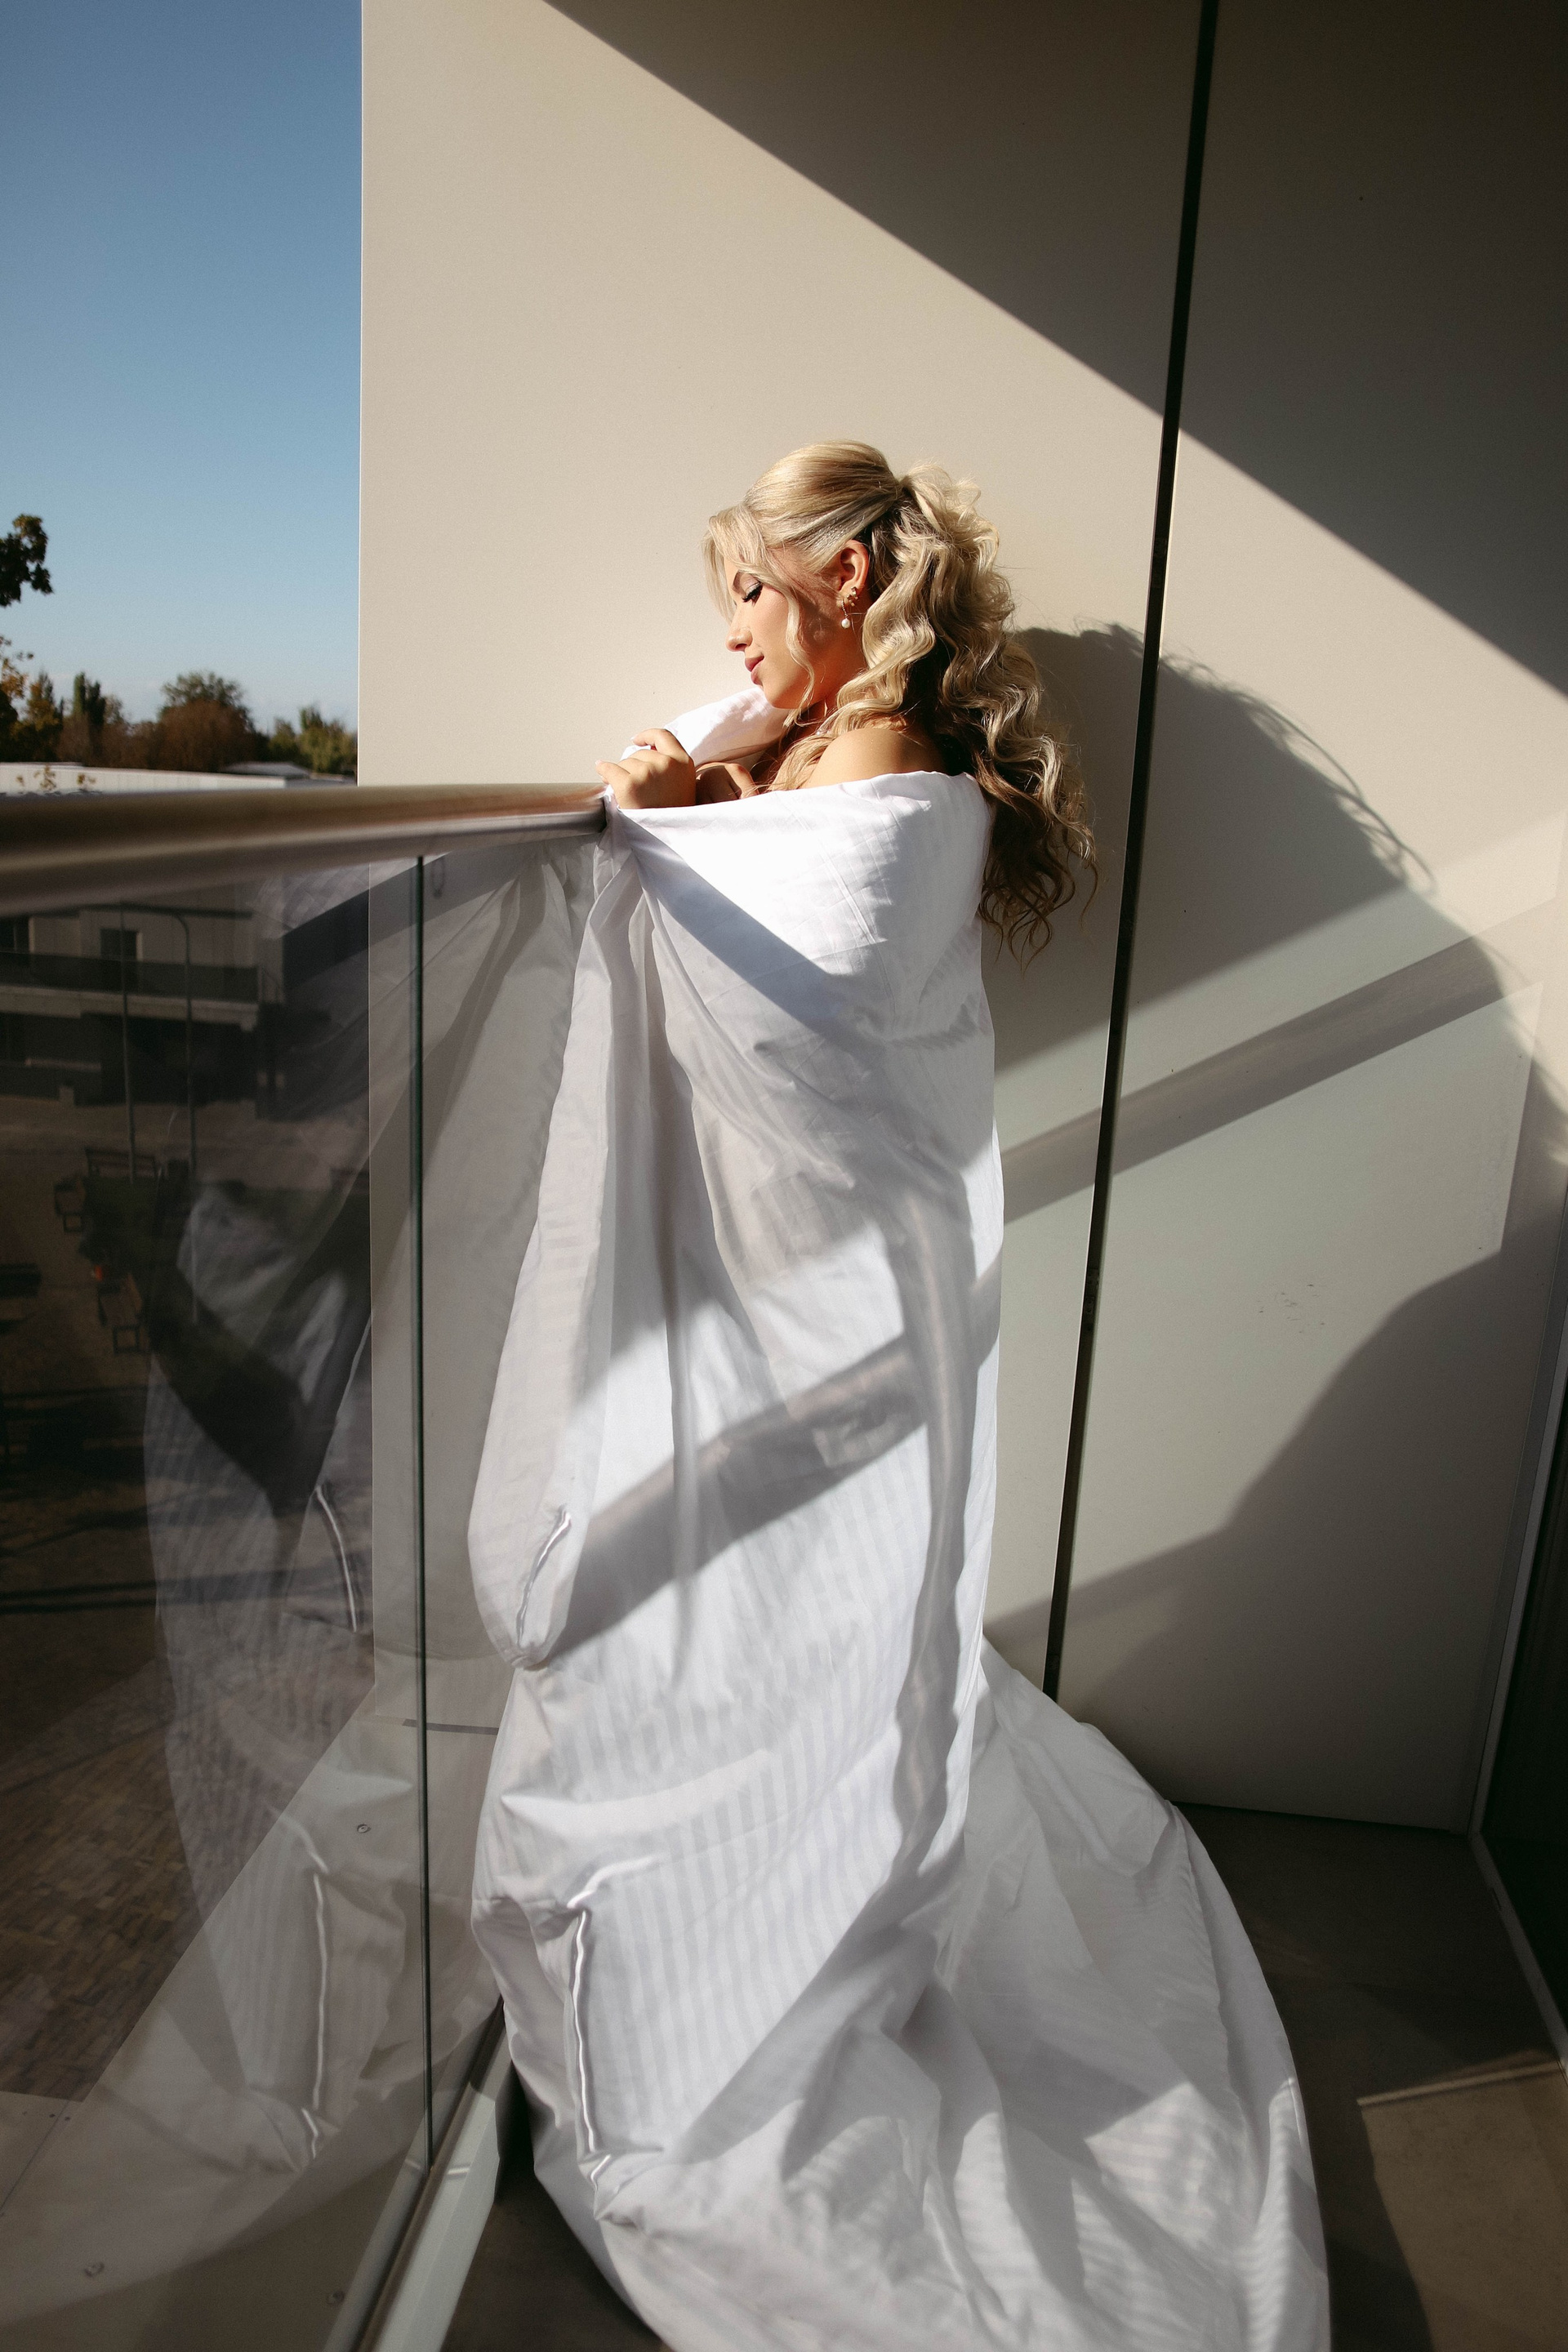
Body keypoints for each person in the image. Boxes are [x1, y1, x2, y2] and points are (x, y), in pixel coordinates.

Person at [470, 443, 1327, 2350]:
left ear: (845, 579)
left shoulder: (874, 773)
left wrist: (659, 832)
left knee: (762, 1629)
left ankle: (750, 1963)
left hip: (819, 1311)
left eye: (750, 594)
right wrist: (703, 799)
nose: (731, 637)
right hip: (820, 1303)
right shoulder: (823, 753)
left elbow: (804, 1007)